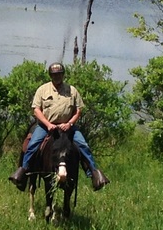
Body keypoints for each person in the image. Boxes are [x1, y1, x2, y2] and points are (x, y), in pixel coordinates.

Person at [9, 62, 109, 191]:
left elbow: (78, 110)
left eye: (59, 74)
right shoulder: (43, 89)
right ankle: (24, 172)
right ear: (50, 75)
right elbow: (36, 110)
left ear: (63, 75)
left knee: (83, 145)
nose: (57, 76)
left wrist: (69, 123)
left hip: (68, 127)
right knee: (32, 145)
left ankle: (94, 175)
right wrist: (48, 124)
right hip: (46, 126)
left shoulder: (72, 90)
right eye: (54, 74)